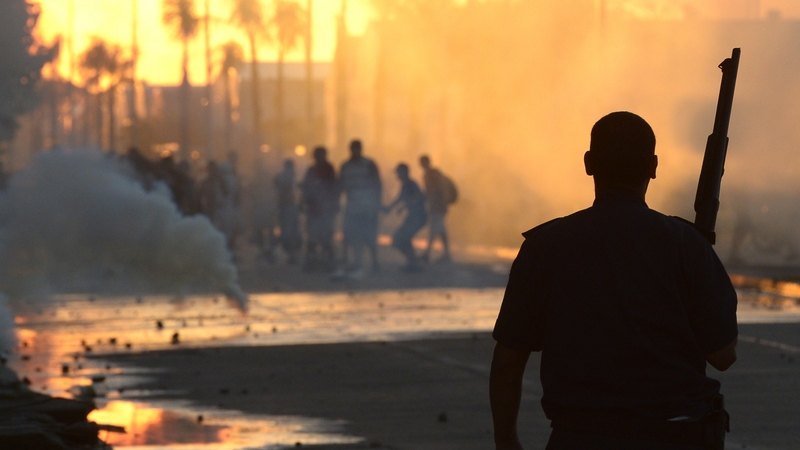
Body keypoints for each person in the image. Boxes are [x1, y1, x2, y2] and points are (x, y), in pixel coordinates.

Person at [490, 111, 738, 450]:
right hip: (674, 436)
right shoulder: (685, 244)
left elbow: (507, 363)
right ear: (653, 166)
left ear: (589, 163)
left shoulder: (545, 246)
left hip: (578, 438)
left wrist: (506, 441)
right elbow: (723, 355)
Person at [339, 139, 382, 276]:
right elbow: (341, 184)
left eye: (357, 149)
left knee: (369, 235)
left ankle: (374, 262)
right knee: (352, 234)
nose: (356, 151)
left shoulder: (369, 164)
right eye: (354, 149)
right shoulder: (345, 166)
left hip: (368, 206)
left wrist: (376, 202)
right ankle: (356, 261)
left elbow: (377, 184)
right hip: (352, 206)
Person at [383, 163, 427, 272]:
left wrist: (404, 206)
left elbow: (419, 197)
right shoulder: (406, 185)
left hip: (418, 217)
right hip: (415, 217)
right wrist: (392, 208)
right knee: (402, 238)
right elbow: (401, 199)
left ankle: (413, 263)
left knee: (399, 238)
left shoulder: (411, 184)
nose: (397, 175)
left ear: (404, 172)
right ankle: (413, 263)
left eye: (398, 172)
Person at [301, 146, 339, 272]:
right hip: (314, 209)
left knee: (325, 237)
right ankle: (313, 263)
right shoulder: (312, 170)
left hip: (325, 209)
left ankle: (327, 263)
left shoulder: (328, 169)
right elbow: (306, 188)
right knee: (313, 237)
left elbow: (333, 187)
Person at [419, 155, 452, 263]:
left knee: (435, 230)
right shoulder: (433, 174)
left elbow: (434, 191)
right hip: (438, 206)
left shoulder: (431, 175)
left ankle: (428, 253)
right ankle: (446, 254)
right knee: (441, 231)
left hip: (437, 206)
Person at [274, 159, 302, 264]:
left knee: (290, 232)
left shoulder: (283, 176)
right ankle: (292, 255)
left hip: (287, 206)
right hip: (287, 206)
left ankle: (292, 255)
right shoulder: (287, 177)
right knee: (290, 232)